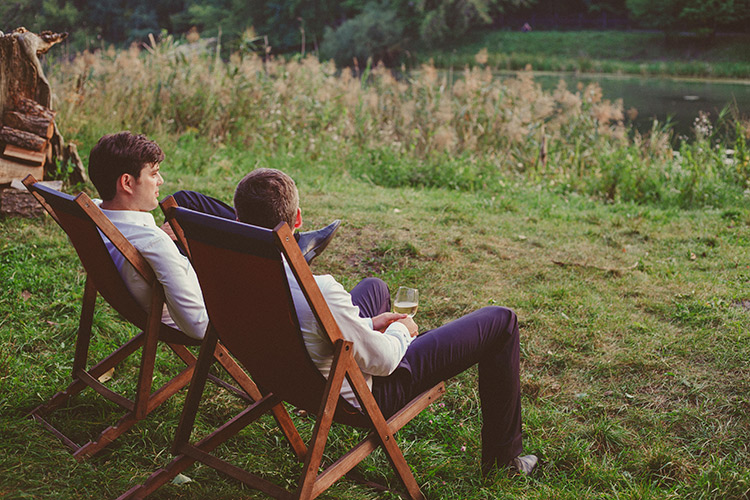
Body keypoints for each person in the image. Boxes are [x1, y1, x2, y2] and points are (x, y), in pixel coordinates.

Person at [233, 168, 538, 476]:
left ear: (237, 218)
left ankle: (375, 334)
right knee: (502, 321)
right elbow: (383, 362)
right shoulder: (317, 291)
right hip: (361, 395)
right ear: (297, 219)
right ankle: (504, 461)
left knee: (375, 287)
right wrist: (399, 331)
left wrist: (367, 326)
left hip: (293, 379)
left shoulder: (229, 276)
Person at [87, 131, 340, 340]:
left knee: (184, 201)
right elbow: (200, 326)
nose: (160, 180)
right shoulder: (155, 244)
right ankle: (282, 245)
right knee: (191, 216)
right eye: (153, 174)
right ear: (127, 183)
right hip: (211, 299)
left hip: (159, 280)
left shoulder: (95, 213)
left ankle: (281, 240)